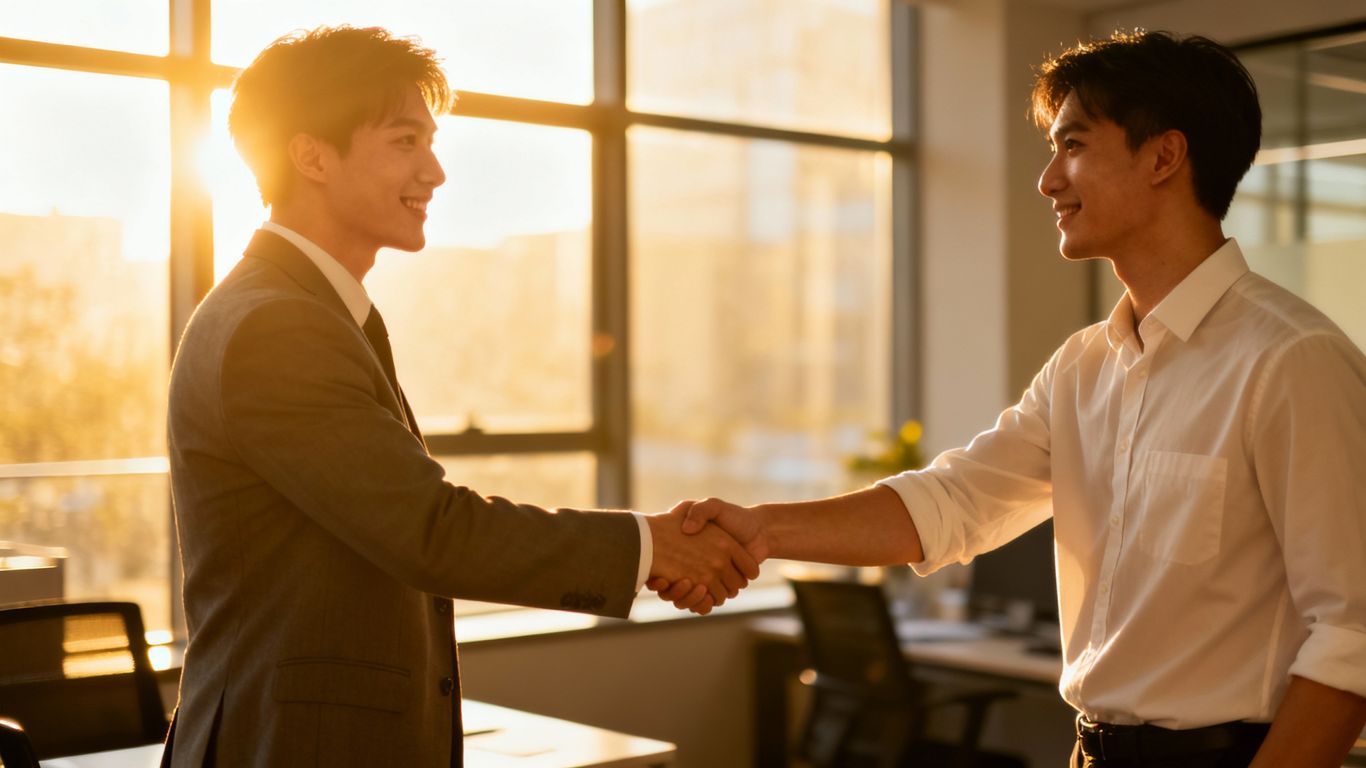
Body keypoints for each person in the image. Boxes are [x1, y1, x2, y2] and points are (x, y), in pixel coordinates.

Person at [657, 30, 1366, 768]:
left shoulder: (1292, 361)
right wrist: (761, 530)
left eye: (1074, 146)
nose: (1048, 181)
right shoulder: (1083, 367)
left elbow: (1353, 637)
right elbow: (954, 503)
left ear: (1164, 156)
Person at [164, 26, 754, 767]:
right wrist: (650, 546)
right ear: (311, 154)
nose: (435, 172)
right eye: (405, 141)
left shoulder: (310, 310)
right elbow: (428, 530)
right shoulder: (277, 324)